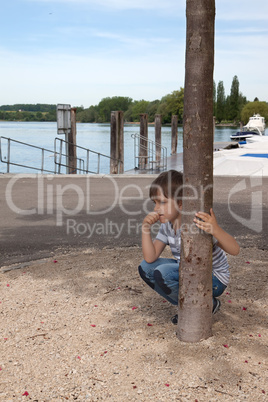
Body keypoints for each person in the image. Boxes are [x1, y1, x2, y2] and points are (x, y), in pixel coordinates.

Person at [138, 170, 240, 324]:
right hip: (187, 269)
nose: (156, 209)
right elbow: (150, 258)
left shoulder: (196, 225)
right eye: (155, 203)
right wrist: (145, 228)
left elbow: (235, 249)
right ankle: (189, 306)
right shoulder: (167, 226)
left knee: (163, 274)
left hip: (214, 278)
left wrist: (215, 229)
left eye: (163, 202)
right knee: (146, 268)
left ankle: (206, 304)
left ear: (180, 203)